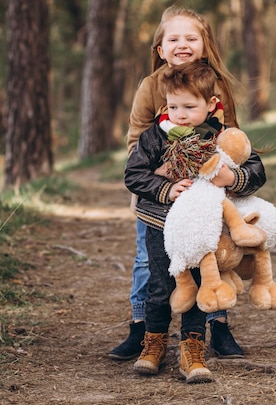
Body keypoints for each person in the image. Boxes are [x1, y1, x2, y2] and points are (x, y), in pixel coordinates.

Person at [108, 5, 263, 361]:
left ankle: (217, 325)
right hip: (158, 195)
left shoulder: (216, 85)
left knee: (212, 256)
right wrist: (166, 173)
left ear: (204, 45)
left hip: (207, 192)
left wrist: (227, 177)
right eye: (173, 38)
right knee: (149, 260)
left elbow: (232, 141)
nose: (182, 44)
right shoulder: (151, 86)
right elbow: (136, 142)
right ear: (160, 48)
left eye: (191, 38)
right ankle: (142, 326)